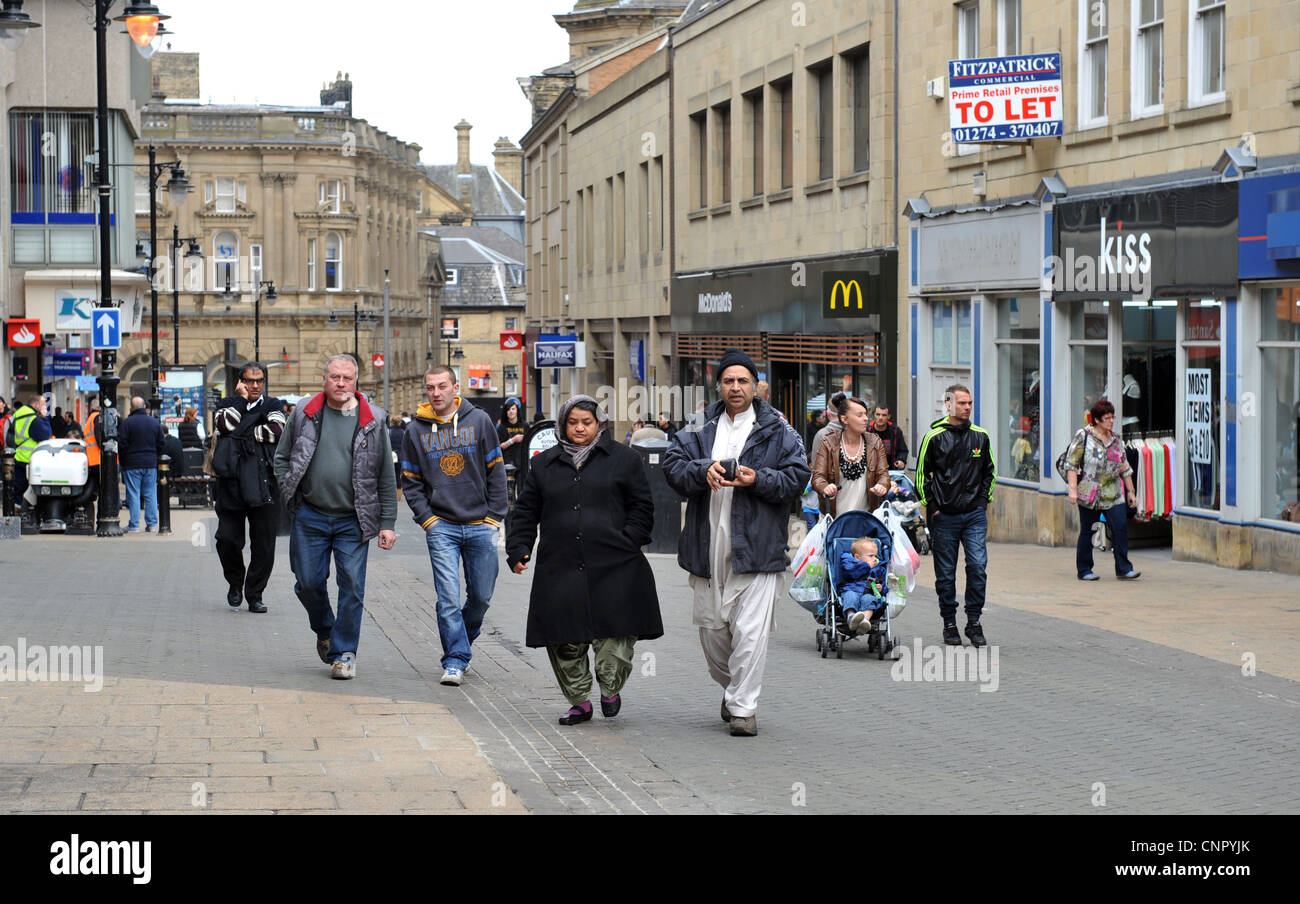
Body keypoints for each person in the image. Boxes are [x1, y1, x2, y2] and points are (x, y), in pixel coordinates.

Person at [664, 348, 810, 738]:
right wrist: (701, 470)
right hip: (707, 548)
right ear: (719, 385)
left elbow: (798, 477)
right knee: (713, 635)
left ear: (756, 385)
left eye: (743, 380)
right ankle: (733, 689)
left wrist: (757, 479)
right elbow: (672, 466)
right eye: (728, 380)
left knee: (750, 634)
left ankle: (744, 708)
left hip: (759, 548)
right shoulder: (698, 425)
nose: (735, 387)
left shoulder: (779, 429)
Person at [506, 395, 664, 725]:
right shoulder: (544, 464)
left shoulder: (624, 460)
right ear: (562, 425)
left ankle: (610, 688)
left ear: (599, 425)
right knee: (565, 639)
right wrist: (519, 547)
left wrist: (629, 540)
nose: (579, 428)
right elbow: (525, 512)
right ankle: (579, 701)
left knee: (615, 637)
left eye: (586, 422)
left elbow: (642, 507)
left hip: (615, 564)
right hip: (560, 566)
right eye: (572, 422)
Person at [275, 354, 398, 680]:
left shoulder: (373, 420)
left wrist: (387, 523)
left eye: (347, 378)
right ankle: (325, 628)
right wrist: (289, 488)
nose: (341, 383)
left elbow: (386, 476)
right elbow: (282, 457)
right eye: (335, 377)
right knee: (308, 583)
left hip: (352, 520)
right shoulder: (304, 413)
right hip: (310, 515)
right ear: (324, 379)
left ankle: (344, 653)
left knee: (352, 587)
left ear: (356, 381)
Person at [401, 365, 507, 687]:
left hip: (480, 525)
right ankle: (455, 660)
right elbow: (410, 481)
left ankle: (463, 639)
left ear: (456, 387)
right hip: (442, 526)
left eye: (442, 386)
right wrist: (428, 519)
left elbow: (496, 471)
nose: (436, 393)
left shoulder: (480, 421)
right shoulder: (414, 431)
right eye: (430, 387)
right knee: (448, 597)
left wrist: (494, 517)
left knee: (482, 598)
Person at [916, 384, 995, 647]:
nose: (967, 407)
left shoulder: (980, 436)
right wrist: (934, 506)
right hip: (945, 517)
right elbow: (920, 476)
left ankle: (974, 622)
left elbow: (989, 473)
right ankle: (949, 624)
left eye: (970, 403)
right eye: (962, 403)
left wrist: (982, 503)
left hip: (973, 515)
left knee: (977, 567)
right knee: (946, 574)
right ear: (948, 405)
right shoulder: (934, 436)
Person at [212, 363, 286, 613]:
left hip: (264, 483)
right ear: (240, 382)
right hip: (231, 483)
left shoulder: (273, 405)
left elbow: (278, 431)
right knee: (227, 540)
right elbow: (223, 425)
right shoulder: (227, 404)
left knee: (264, 545)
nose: (255, 385)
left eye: (259, 381)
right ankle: (235, 582)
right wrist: (241, 402)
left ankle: (255, 594)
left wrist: (240, 432)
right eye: (249, 381)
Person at [1065, 398, 1140, 582]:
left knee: (1120, 528)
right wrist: (1073, 490)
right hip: (1089, 494)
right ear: (1097, 419)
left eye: (1113, 417)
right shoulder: (1084, 436)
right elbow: (1071, 464)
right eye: (1107, 418)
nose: (1111, 421)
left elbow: (1124, 466)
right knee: (1088, 531)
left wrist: (1131, 491)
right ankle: (1084, 569)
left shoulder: (1116, 440)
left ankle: (1123, 568)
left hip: (1113, 493)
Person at [812, 395, 890, 517]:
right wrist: (825, 487)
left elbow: (883, 474)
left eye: (866, 414)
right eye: (860, 415)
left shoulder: (874, 442)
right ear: (844, 419)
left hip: (866, 520)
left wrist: (882, 485)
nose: (866, 419)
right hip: (834, 520)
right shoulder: (829, 442)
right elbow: (817, 477)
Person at [117, 396, 166, 532]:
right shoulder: (154, 423)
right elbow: (162, 443)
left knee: (134, 494)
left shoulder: (127, 423)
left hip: (132, 464)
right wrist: (155, 457)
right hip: (150, 463)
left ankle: (134, 525)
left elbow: (122, 445)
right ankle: (152, 524)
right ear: (145, 407)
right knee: (150, 493)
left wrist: (124, 461)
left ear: (131, 408)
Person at [837, 537, 889, 634]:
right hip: (852, 589)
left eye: (875, 556)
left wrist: (881, 588)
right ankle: (851, 617)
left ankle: (864, 621)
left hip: (868, 592)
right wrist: (866, 566)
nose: (875, 559)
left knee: (869, 600)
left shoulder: (878, 568)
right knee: (850, 596)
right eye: (871, 556)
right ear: (857, 557)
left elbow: (882, 583)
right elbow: (850, 573)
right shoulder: (849, 562)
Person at [9, 394, 53, 506]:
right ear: (36, 404)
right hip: (30, 459)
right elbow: (46, 434)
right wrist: (45, 417)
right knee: (32, 492)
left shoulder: (19, 412)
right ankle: (27, 517)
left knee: (18, 491)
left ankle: (16, 513)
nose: (44, 408)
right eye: (43, 405)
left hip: (18, 456)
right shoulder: (34, 419)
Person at [868, 403, 909, 470]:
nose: (880, 418)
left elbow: (902, 450)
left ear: (889, 416)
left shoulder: (895, 431)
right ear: (874, 415)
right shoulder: (867, 430)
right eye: (878, 414)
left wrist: (901, 460)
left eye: (884, 415)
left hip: (891, 472)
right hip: (871, 472)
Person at [496, 397, 527, 475]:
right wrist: (512, 440)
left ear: (517, 411)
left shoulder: (524, 425)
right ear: (506, 412)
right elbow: (500, 446)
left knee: (521, 486)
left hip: (522, 461)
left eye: (513, 409)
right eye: (508, 410)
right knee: (509, 486)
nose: (511, 411)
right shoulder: (502, 427)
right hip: (507, 463)